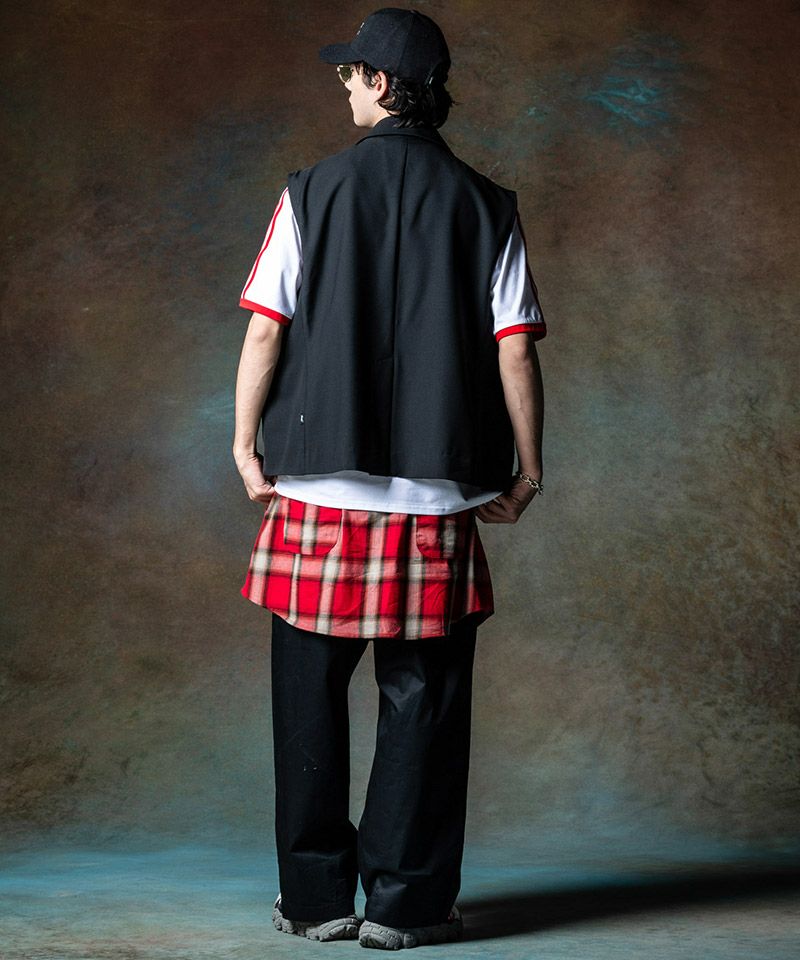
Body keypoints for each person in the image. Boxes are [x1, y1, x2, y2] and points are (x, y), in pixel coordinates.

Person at [232, 7, 546, 950]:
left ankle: (315, 900)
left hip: (317, 497)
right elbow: (516, 348)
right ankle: (406, 906)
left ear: (379, 82)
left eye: (350, 73)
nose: (344, 86)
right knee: (425, 707)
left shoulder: (310, 193)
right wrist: (528, 471)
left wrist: (245, 444)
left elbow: (265, 328)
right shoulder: (488, 205)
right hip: (436, 500)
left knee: (308, 703)